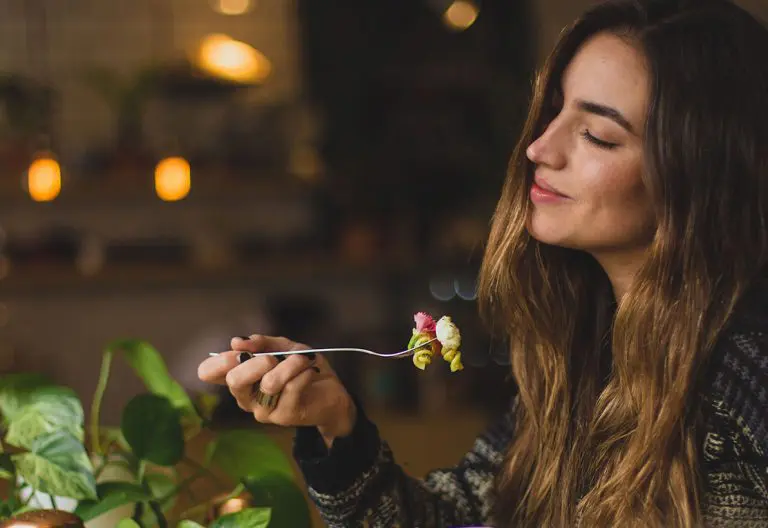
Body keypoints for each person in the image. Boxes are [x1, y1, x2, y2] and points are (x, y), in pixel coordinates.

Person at [197, 0, 768, 525]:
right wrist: (334, 422)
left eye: (596, 134)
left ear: (700, 173)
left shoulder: (745, 380)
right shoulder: (582, 354)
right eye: (554, 111)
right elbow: (451, 517)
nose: (539, 148)